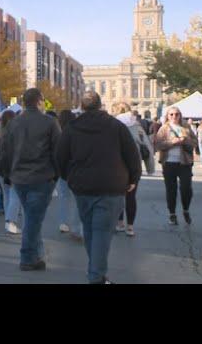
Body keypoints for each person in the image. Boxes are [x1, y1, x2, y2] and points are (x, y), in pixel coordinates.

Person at [56, 91, 141, 284]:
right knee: (101, 232)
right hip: (111, 186)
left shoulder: (72, 128)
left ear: (83, 107)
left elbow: (60, 157)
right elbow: (132, 154)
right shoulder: (116, 126)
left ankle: (96, 272)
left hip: (83, 187)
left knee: (91, 231)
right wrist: (133, 178)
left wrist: (68, 177)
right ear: (100, 105)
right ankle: (96, 276)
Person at [0, 88, 60, 271]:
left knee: (32, 217)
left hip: (19, 177)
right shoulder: (49, 122)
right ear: (40, 101)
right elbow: (58, 150)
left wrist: (7, 174)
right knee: (33, 219)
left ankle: (36, 254)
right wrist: (57, 174)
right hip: (41, 177)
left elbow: (6, 150)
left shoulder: (14, 123)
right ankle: (27, 257)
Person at [112, 102, 151, 237]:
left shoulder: (113, 125)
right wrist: (150, 166)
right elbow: (146, 145)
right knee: (131, 197)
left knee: (118, 196)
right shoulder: (137, 125)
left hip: (118, 165)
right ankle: (130, 227)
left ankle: (120, 223)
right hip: (134, 165)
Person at [154, 106, 197, 225]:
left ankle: (186, 209)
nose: (174, 117)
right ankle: (172, 214)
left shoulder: (186, 127)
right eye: (171, 114)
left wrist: (185, 141)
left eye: (176, 114)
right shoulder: (164, 128)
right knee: (171, 190)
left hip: (185, 162)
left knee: (186, 188)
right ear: (167, 116)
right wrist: (172, 142)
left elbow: (195, 142)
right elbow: (157, 145)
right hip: (169, 163)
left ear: (180, 115)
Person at [0, 110, 22, 235]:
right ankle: (11, 221)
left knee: (6, 194)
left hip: (0, 166)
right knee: (15, 195)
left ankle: (7, 220)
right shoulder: (16, 133)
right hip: (13, 167)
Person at [56, 110, 83, 241]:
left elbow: (58, 154)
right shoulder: (76, 132)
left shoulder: (58, 131)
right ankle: (76, 226)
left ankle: (63, 222)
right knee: (78, 200)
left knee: (63, 198)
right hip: (76, 170)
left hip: (63, 170)